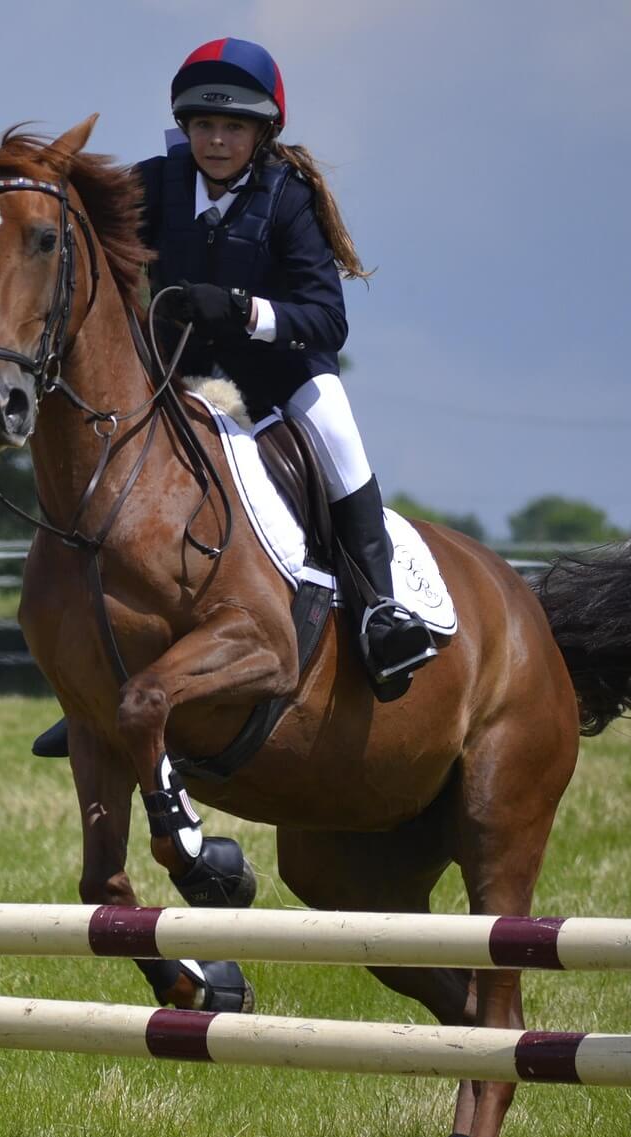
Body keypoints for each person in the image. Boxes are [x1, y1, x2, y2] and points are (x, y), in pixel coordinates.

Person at [146, 37, 436, 699]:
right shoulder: (153, 185)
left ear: (262, 132)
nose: (215, 141)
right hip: (181, 379)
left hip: (282, 378)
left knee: (339, 439)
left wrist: (245, 312)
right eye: (203, 126)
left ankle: (381, 615)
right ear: (184, 126)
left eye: (232, 127)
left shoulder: (289, 197)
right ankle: (91, 670)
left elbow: (327, 320)